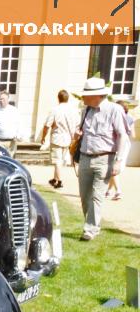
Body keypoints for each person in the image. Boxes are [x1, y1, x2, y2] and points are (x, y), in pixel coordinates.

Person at [73, 76, 129, 241]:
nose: (83, 97)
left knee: (97, 196)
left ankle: (90, 230)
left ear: (97, 95)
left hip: (104, 158)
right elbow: (81, 132)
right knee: (84, 196)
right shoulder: (86, 111)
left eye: (86, 95)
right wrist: (77, 135)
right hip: (85, 157)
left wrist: (119, 160)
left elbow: (123, 136)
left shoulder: (114, 110)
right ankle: (92, 224)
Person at [38, 89, 76, 189]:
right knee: (61, 160)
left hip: (57, 137)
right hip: (67, 138)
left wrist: (43, 137)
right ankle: (55, 179)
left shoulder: (55, 110)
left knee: (57, 161)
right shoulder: (72, 110)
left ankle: (59, 181)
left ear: (58, 98)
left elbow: (47, 125)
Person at [106, 97, 136, 201]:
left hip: (118, 141)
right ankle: (109, 190)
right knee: (116, 167)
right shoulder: (130, 117)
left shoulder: (115, 116)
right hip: (127, 142)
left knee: (113, 167)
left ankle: (118, 191)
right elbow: (133, 135)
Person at [0, 90, 21, 154]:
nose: (1, 101)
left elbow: (19, 125)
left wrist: (18, 135)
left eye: (3, 99)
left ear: (8, 99)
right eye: (0, 99)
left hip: (11, 143)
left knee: (9, 162)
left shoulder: (14, 111)